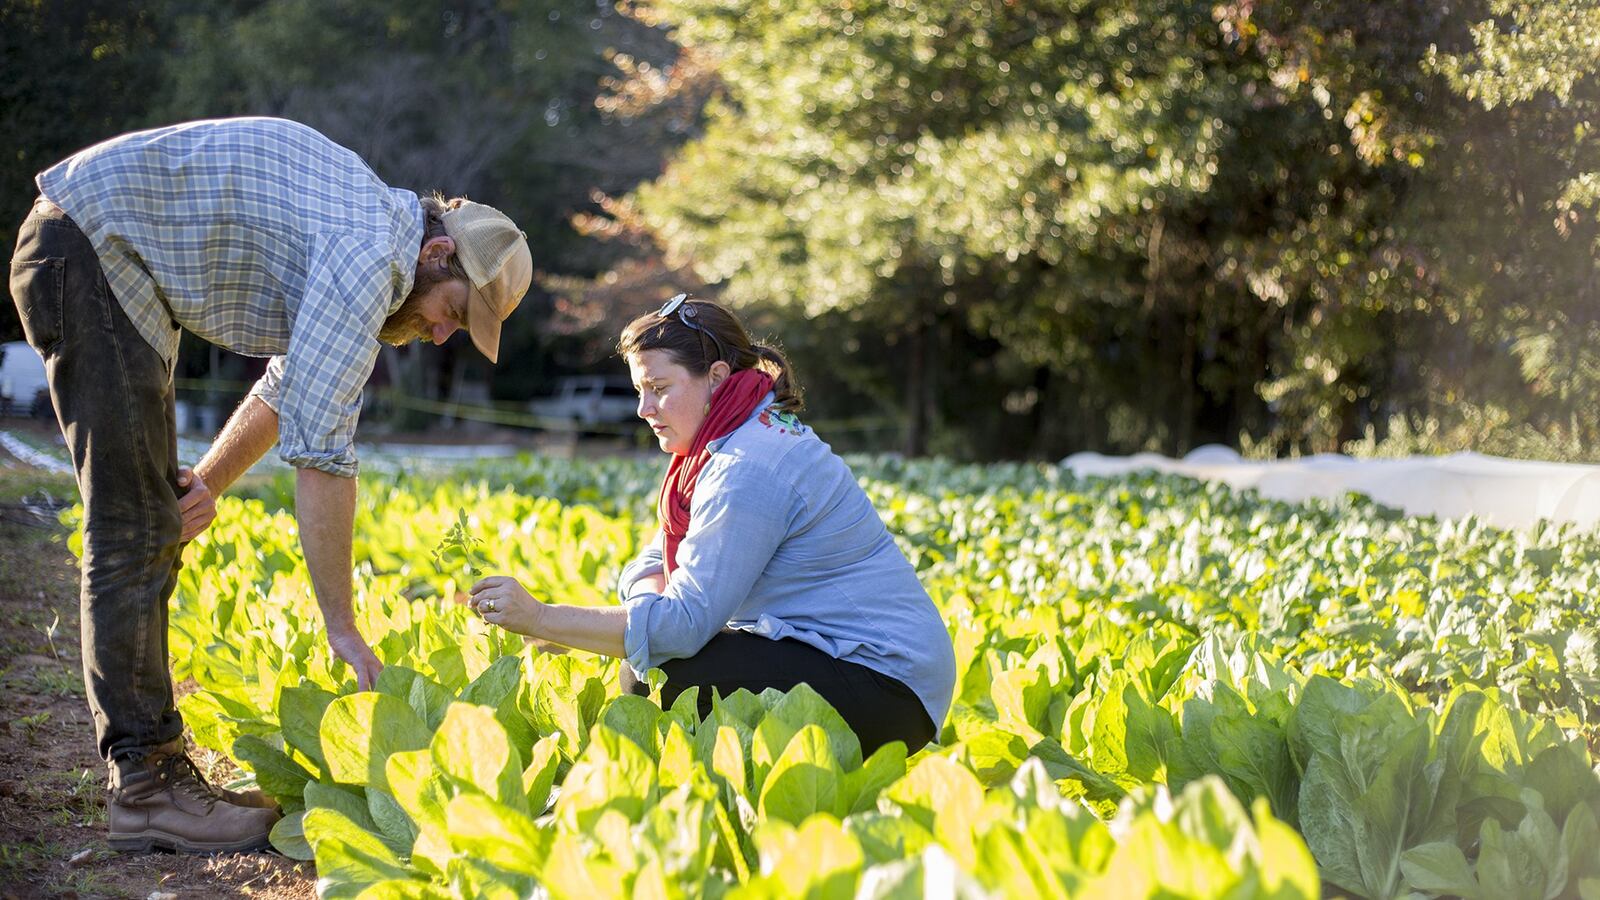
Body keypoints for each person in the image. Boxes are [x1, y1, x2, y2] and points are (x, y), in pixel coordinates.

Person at [7, 117, 532, 853]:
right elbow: (322, 456)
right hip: (87, 251)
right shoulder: (367, 255)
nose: (442, 335)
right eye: (452, 315)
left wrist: (210, 483)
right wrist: (341, 626)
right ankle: (146, 788)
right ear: (438, 252)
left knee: (153, 523)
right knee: (129, 531)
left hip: (104, 261)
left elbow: (289, 385)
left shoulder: (366, 231)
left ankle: (156, 772)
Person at [469, 295, 955, 755]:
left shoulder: (749, 463)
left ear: (717, 377)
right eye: (640, 391)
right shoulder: (726, 440)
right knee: (653, 664)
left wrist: (541, 619)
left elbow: (680, 628)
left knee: (662, 673)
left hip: (889, 684)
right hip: (850, 662)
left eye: (659, 389)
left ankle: (684, 817)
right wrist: (645, 605)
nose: (644, 410)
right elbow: (656, 557)